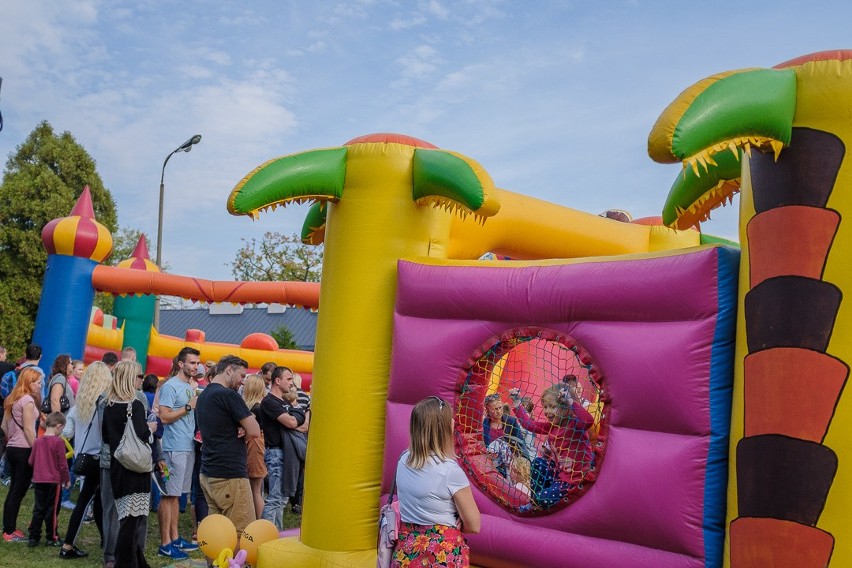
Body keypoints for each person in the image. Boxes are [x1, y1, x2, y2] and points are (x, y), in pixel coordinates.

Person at [392, 396, 480, 568]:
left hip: (407, 551)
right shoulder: (449, 471)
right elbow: (474, 525)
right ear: (443, 429)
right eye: (450, 419)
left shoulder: (403, 459)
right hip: (440, 554)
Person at [196, 355, 260, 538]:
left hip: (209, 472)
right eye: (241, 375)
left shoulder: (204, 396)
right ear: (229, 370)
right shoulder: (229, 395)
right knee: (242, 532)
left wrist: (241, 427)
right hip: (230, 474)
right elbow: (254, 431)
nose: (242, 382)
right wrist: (248, 423)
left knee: (216, 533)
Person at [509, 383, 594, 509]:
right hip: (558, 474)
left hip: (574, 480)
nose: (547, 411)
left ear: (565, 409)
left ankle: (538, 501)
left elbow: (588, 420)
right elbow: (529, 425)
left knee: (541, 498)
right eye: (545, 407)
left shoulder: (575, 425)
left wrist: (570, 400)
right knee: (538, 462)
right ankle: (537, 497)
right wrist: (517, 402)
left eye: (552, 407)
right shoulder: (551, 427)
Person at [102, 361, 152, 568]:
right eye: (137, 376)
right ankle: (126, 562)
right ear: (130, 378)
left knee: (126, 517)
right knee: (133, 520)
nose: (139, 380)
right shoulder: (135, 405)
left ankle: (136, 560)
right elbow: (142, 435)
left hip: (117, 465)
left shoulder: (108, 404)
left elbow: (105, 436)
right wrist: (150, 428)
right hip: (136, 467)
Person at [60, 361, 112, 559]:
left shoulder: (79, 405)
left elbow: (67, 432)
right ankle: (67, 545)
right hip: (98, 458)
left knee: (97, 501)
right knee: (87, 501)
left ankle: (105, 539)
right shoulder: (103, 405)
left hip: (82, 456)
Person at [156, 346, 201, 559]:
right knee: (169, 495)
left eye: (197, 363)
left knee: (177, 496)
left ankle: (174, 537)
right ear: (181, 364)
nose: (195, 366)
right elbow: (164, 417)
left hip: (187, 446)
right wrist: (189, 408)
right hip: (173, 448)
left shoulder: (188, 386)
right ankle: (165, 542)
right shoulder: (170, 386)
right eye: (191, 362)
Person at [259, 366, 304, 530]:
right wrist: (297, 413)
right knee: (276, 498)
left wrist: (296, 415)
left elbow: (303, 425)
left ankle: (275, 534)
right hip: (276, 453)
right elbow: (293, 422)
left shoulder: (283, 402)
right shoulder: (269, 402)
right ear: (278, 381)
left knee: (283, 498)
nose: (292, 384)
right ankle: (265, 535)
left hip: (286, 453)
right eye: (289, 379)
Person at [1, 367, 42, 542]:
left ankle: (9, 528)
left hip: (12, 448)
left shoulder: (12, 399)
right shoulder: (27, 401)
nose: (40, 386)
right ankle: (9, 531)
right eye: (38, 383)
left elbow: (4, 426)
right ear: (29, 382)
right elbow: (28, 428)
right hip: (24, 448)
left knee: (14, 491)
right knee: (18, 491)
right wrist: (37, 450)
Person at [27, 412, 70, 547]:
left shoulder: (38, 441)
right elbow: (62, 464)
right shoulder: (59, 442)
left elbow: (31, 460)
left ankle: (34, 537)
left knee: (38, 508)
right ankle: (51, 536)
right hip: (53, 481)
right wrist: (66, 479)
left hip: (39, 480)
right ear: (58, 426)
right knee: (52, 509)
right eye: (62, 429)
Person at [241, 374, 268, 519]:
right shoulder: (256, 407)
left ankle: (259, 521)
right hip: (255, 447)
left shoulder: (257, 409)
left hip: (255, 448)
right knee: (254, 490)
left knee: (256, 490)